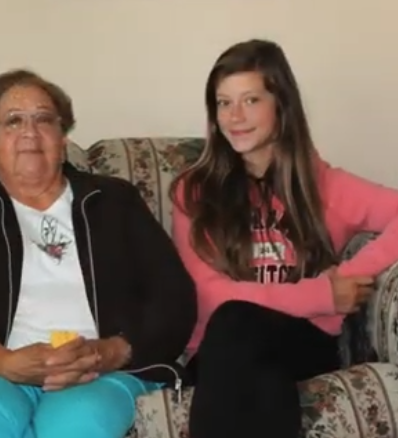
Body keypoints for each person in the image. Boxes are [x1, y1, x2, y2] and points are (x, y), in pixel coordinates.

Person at [0, 69, 197, 438]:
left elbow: (174, 298)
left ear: (62, 140)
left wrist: (111, 351)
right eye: (13, 121)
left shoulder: (114, 200)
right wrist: (2, 361)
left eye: (44, 119)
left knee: (76, 422)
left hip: (97, 373)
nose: (29, 131)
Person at [170, 39, 398, 438]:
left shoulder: (323, 185)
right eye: (223, 103)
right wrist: (324, 295)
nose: (234, 117)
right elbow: (211, 296)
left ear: (281, 104)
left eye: (251, 100)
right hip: (217, 351)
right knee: (240, 335)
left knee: (245, 335)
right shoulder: (195, 190)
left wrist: (348, 276)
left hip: (301, 343)